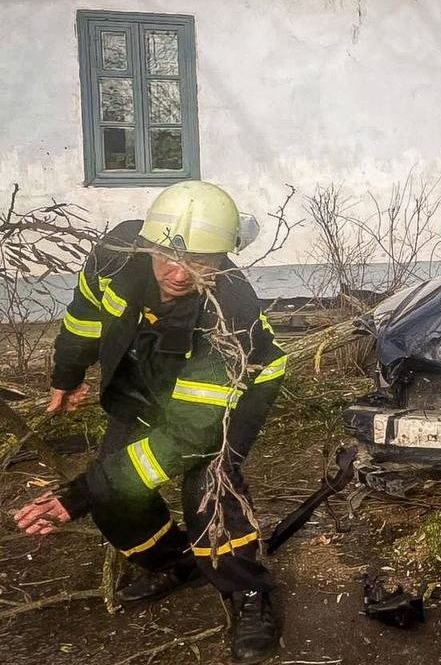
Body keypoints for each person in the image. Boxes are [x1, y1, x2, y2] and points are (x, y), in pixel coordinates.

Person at [12, 182, 287, 663]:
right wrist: (67, 374)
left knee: (207, 483)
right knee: (116, 483)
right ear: (148, 241)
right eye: (167, 255)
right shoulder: (116, 255)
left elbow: (190, 434)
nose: (179, 273)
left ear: (223, 258)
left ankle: (250, 595)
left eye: (200, 260)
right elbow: (83, 318)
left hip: (237, 388)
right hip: (150, 372)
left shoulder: (231, 310)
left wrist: (77, 495)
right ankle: (175, 562)